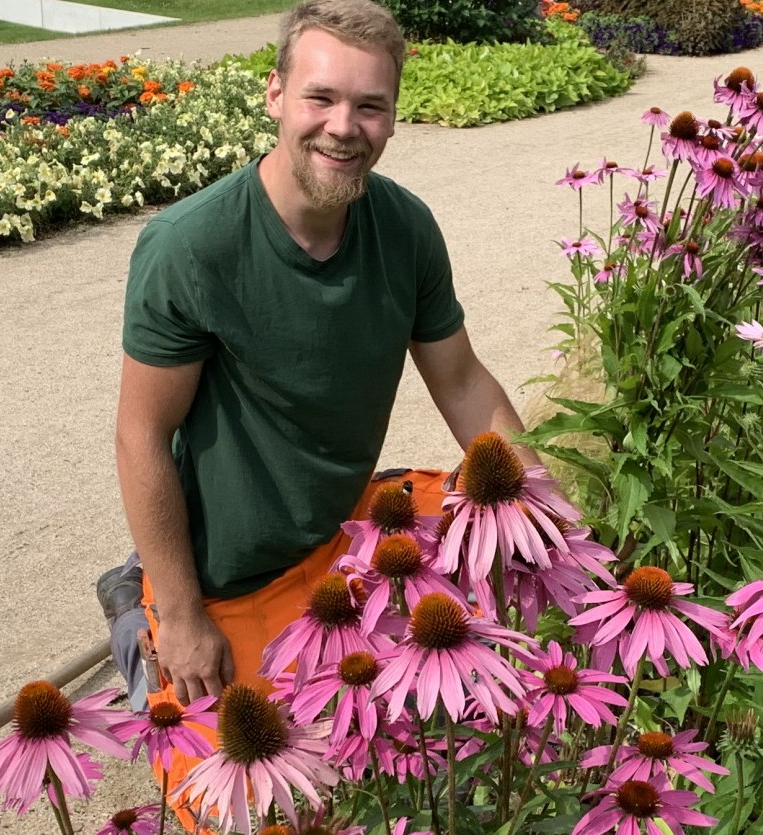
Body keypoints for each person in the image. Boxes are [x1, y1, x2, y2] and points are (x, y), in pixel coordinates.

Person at [107, 0, 548, 813]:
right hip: (225, 576)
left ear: (392, 117)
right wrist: (179, 613)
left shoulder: (404, 228)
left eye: (370, 105)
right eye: (322, 98)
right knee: (247, 810)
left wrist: (546, 503)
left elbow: (460, 380)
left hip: (341, 557)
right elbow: (143, 433)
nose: (344, 126)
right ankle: (135, 613)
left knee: (382, 782)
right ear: (275, 94)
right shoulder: (191, 247)